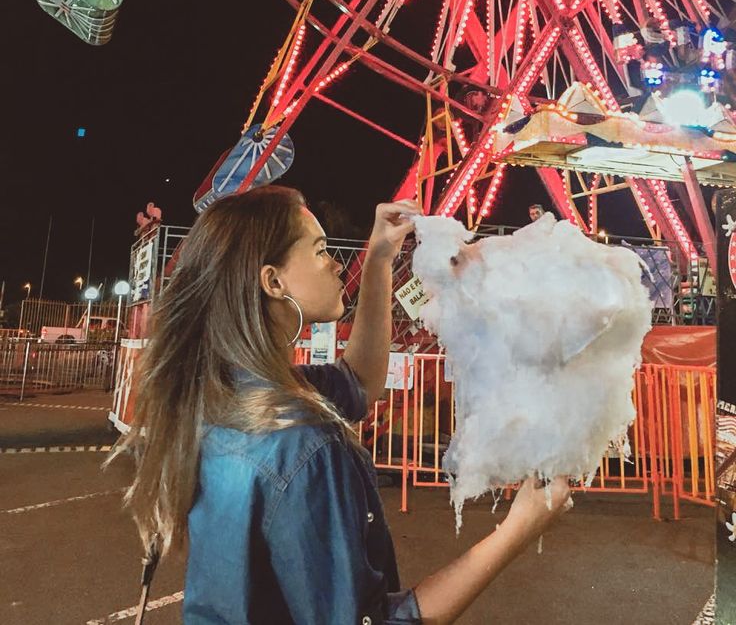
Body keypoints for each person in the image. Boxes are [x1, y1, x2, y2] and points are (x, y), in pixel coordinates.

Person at [115, 186, 571, 624]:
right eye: (319, 250)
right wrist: (517, 530)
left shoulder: (227, 394)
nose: (335, 264)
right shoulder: (300, 441)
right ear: (273, 282)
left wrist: (379, 258)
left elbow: (359, 381)